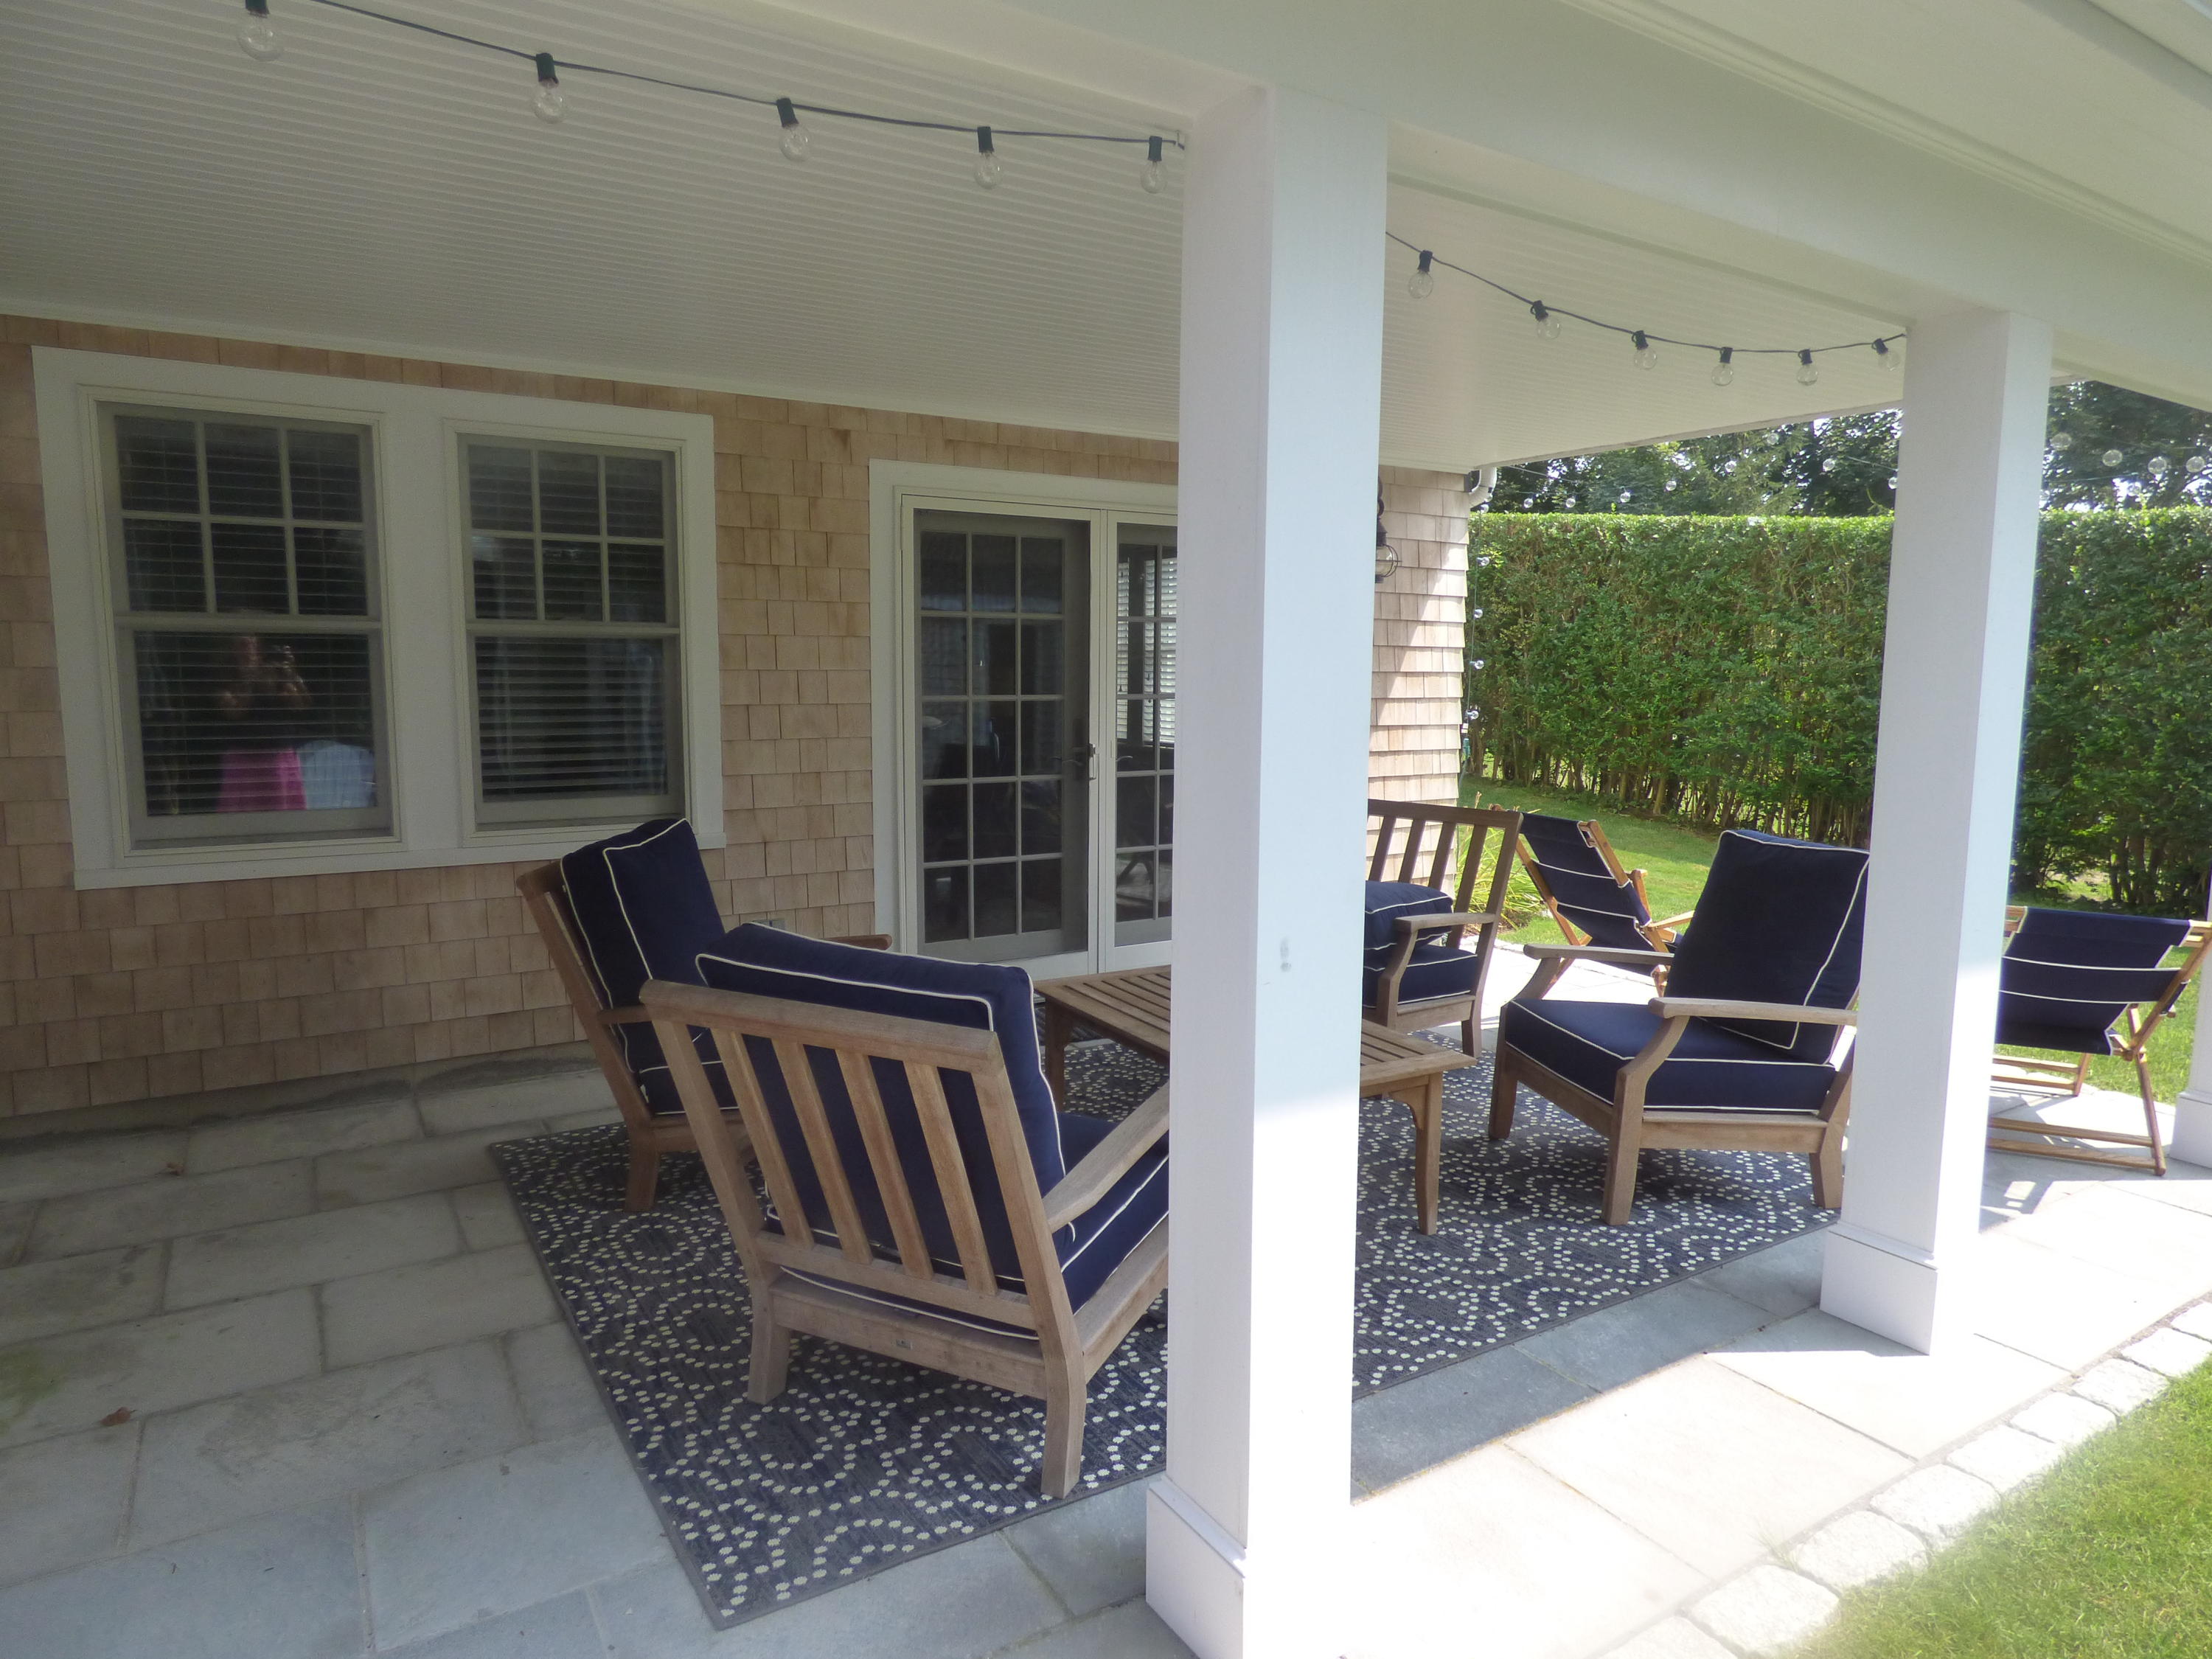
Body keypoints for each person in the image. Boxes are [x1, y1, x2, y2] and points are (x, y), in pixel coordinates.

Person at [215, 633, 310, 813]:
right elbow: (234, 712)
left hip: (277, 759)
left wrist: (291, 674)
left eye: (253, 643)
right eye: (243, 644)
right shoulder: (225, 677)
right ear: (233, 649)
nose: (249, 649)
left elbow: (300, 704)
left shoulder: (274, 674)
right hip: (243, 761)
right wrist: (251, 679)